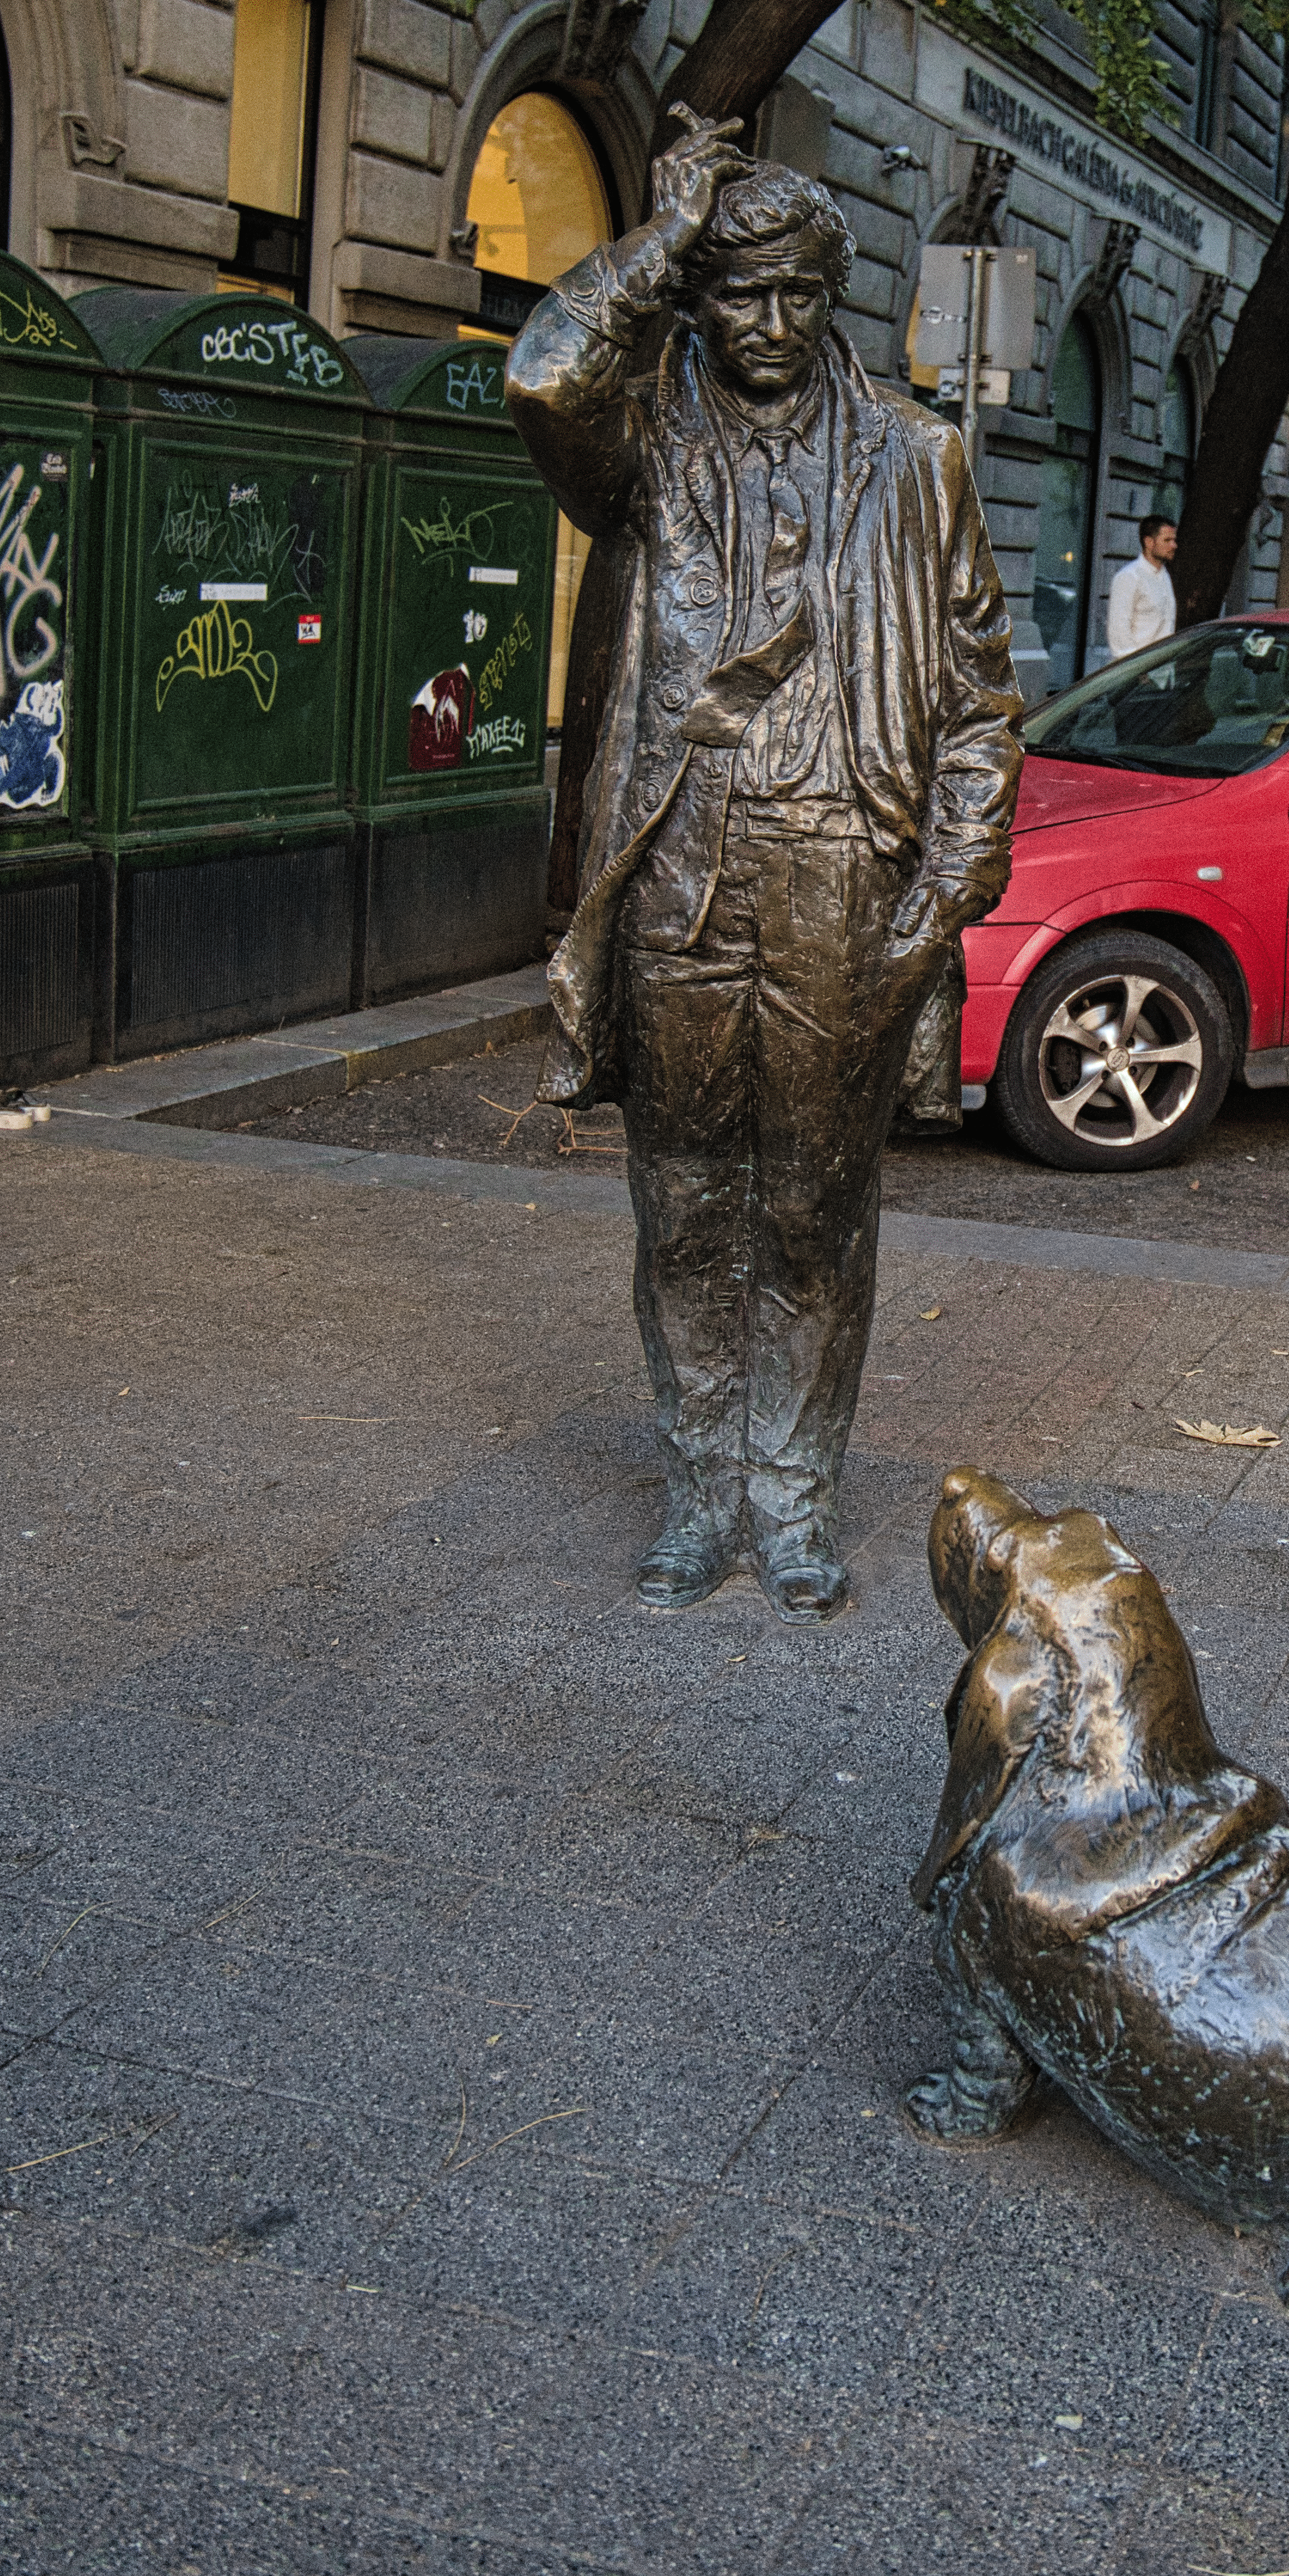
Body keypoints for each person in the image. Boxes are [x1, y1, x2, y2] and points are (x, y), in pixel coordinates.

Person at [506, 111, 1021, 1620]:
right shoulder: (646, 444)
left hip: (839, 883)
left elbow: (982, 701)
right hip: (679, 876)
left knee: (809, 1210)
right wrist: (661, 242)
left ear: (834, 294)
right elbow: (543, 373)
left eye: (799, 291)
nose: (773, 324)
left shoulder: (919, 463)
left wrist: (941, 893)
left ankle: (793, 1498)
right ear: (702, 298)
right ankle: (697, 1491)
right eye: (739, 292)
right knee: (683, 1206)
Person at [1107, 514, 1178, 659]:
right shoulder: (1129, 577)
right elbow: (1119, 631)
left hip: (1162, 672)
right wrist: (1138, 674)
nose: (1174, 545)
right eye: (1167, 540)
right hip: (1139, 674)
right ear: (1149, 542)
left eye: (1174, 540)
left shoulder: (1164, 575)